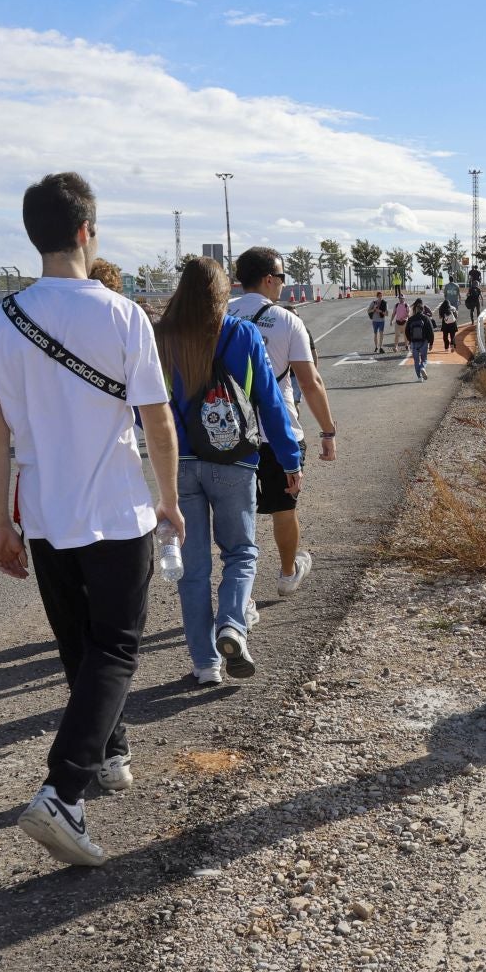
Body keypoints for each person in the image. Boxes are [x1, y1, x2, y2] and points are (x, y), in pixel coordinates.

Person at [0, 172, 183, 868]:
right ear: (87, 231)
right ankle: (63, 789)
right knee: (117, 648)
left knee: (79, 647)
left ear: (34, 235)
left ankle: (103, 757)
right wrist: (170, 498)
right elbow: (156, 419)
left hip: (43, 514)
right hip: (118, 511)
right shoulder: (122, 316)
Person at [157, 258, 302, 683]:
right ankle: (233, 626)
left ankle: (205, 665)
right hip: (235, 461)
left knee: (193, 567)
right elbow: (270, 403)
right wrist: (290, 459)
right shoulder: (241, 334)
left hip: (179, 465)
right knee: (241, 553)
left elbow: (145, 407)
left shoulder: (161, 338)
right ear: (223, 292)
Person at [228, 247, 338, 597]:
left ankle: (239, 591)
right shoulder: (286, 320)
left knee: (237, 512)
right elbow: (310, 381)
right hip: (280, 432)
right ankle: (288, 573)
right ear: (268, 279)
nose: (283, 285)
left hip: (229, 432)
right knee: (283, 508)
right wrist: (328, 431)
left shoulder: (220, 315)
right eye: (281, 277)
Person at [404, 299, 437, 380]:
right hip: (424, 342)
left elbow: (406, 331)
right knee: (424, 359)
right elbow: (431, 331)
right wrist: (431, 343)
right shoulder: (426, 318)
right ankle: (422, 367)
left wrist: (410, 340)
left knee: (416, 361)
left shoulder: (411, 319)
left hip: (414, 342)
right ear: (423, 310)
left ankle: (419, 378)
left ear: (416, 309)